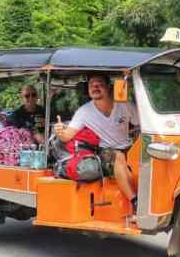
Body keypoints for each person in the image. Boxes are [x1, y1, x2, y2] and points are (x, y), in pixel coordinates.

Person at [53, 74, 138, 213]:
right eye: (91, 85)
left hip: (129, 147)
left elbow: (141, 124)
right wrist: (59, 131)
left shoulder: (125, 105)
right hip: (106, 151)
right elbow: (66, 136)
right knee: (119, 158)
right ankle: (135, 202)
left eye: (99, 84)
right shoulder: (84, 111)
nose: (95, 87)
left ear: (108, 87)